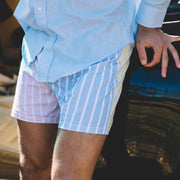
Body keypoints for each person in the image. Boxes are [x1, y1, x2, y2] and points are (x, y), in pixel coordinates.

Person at [11, 0, 180, 179]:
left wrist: (148, 25)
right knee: (31, 167)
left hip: (99, 49)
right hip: (38, 44)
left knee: (68, 175)